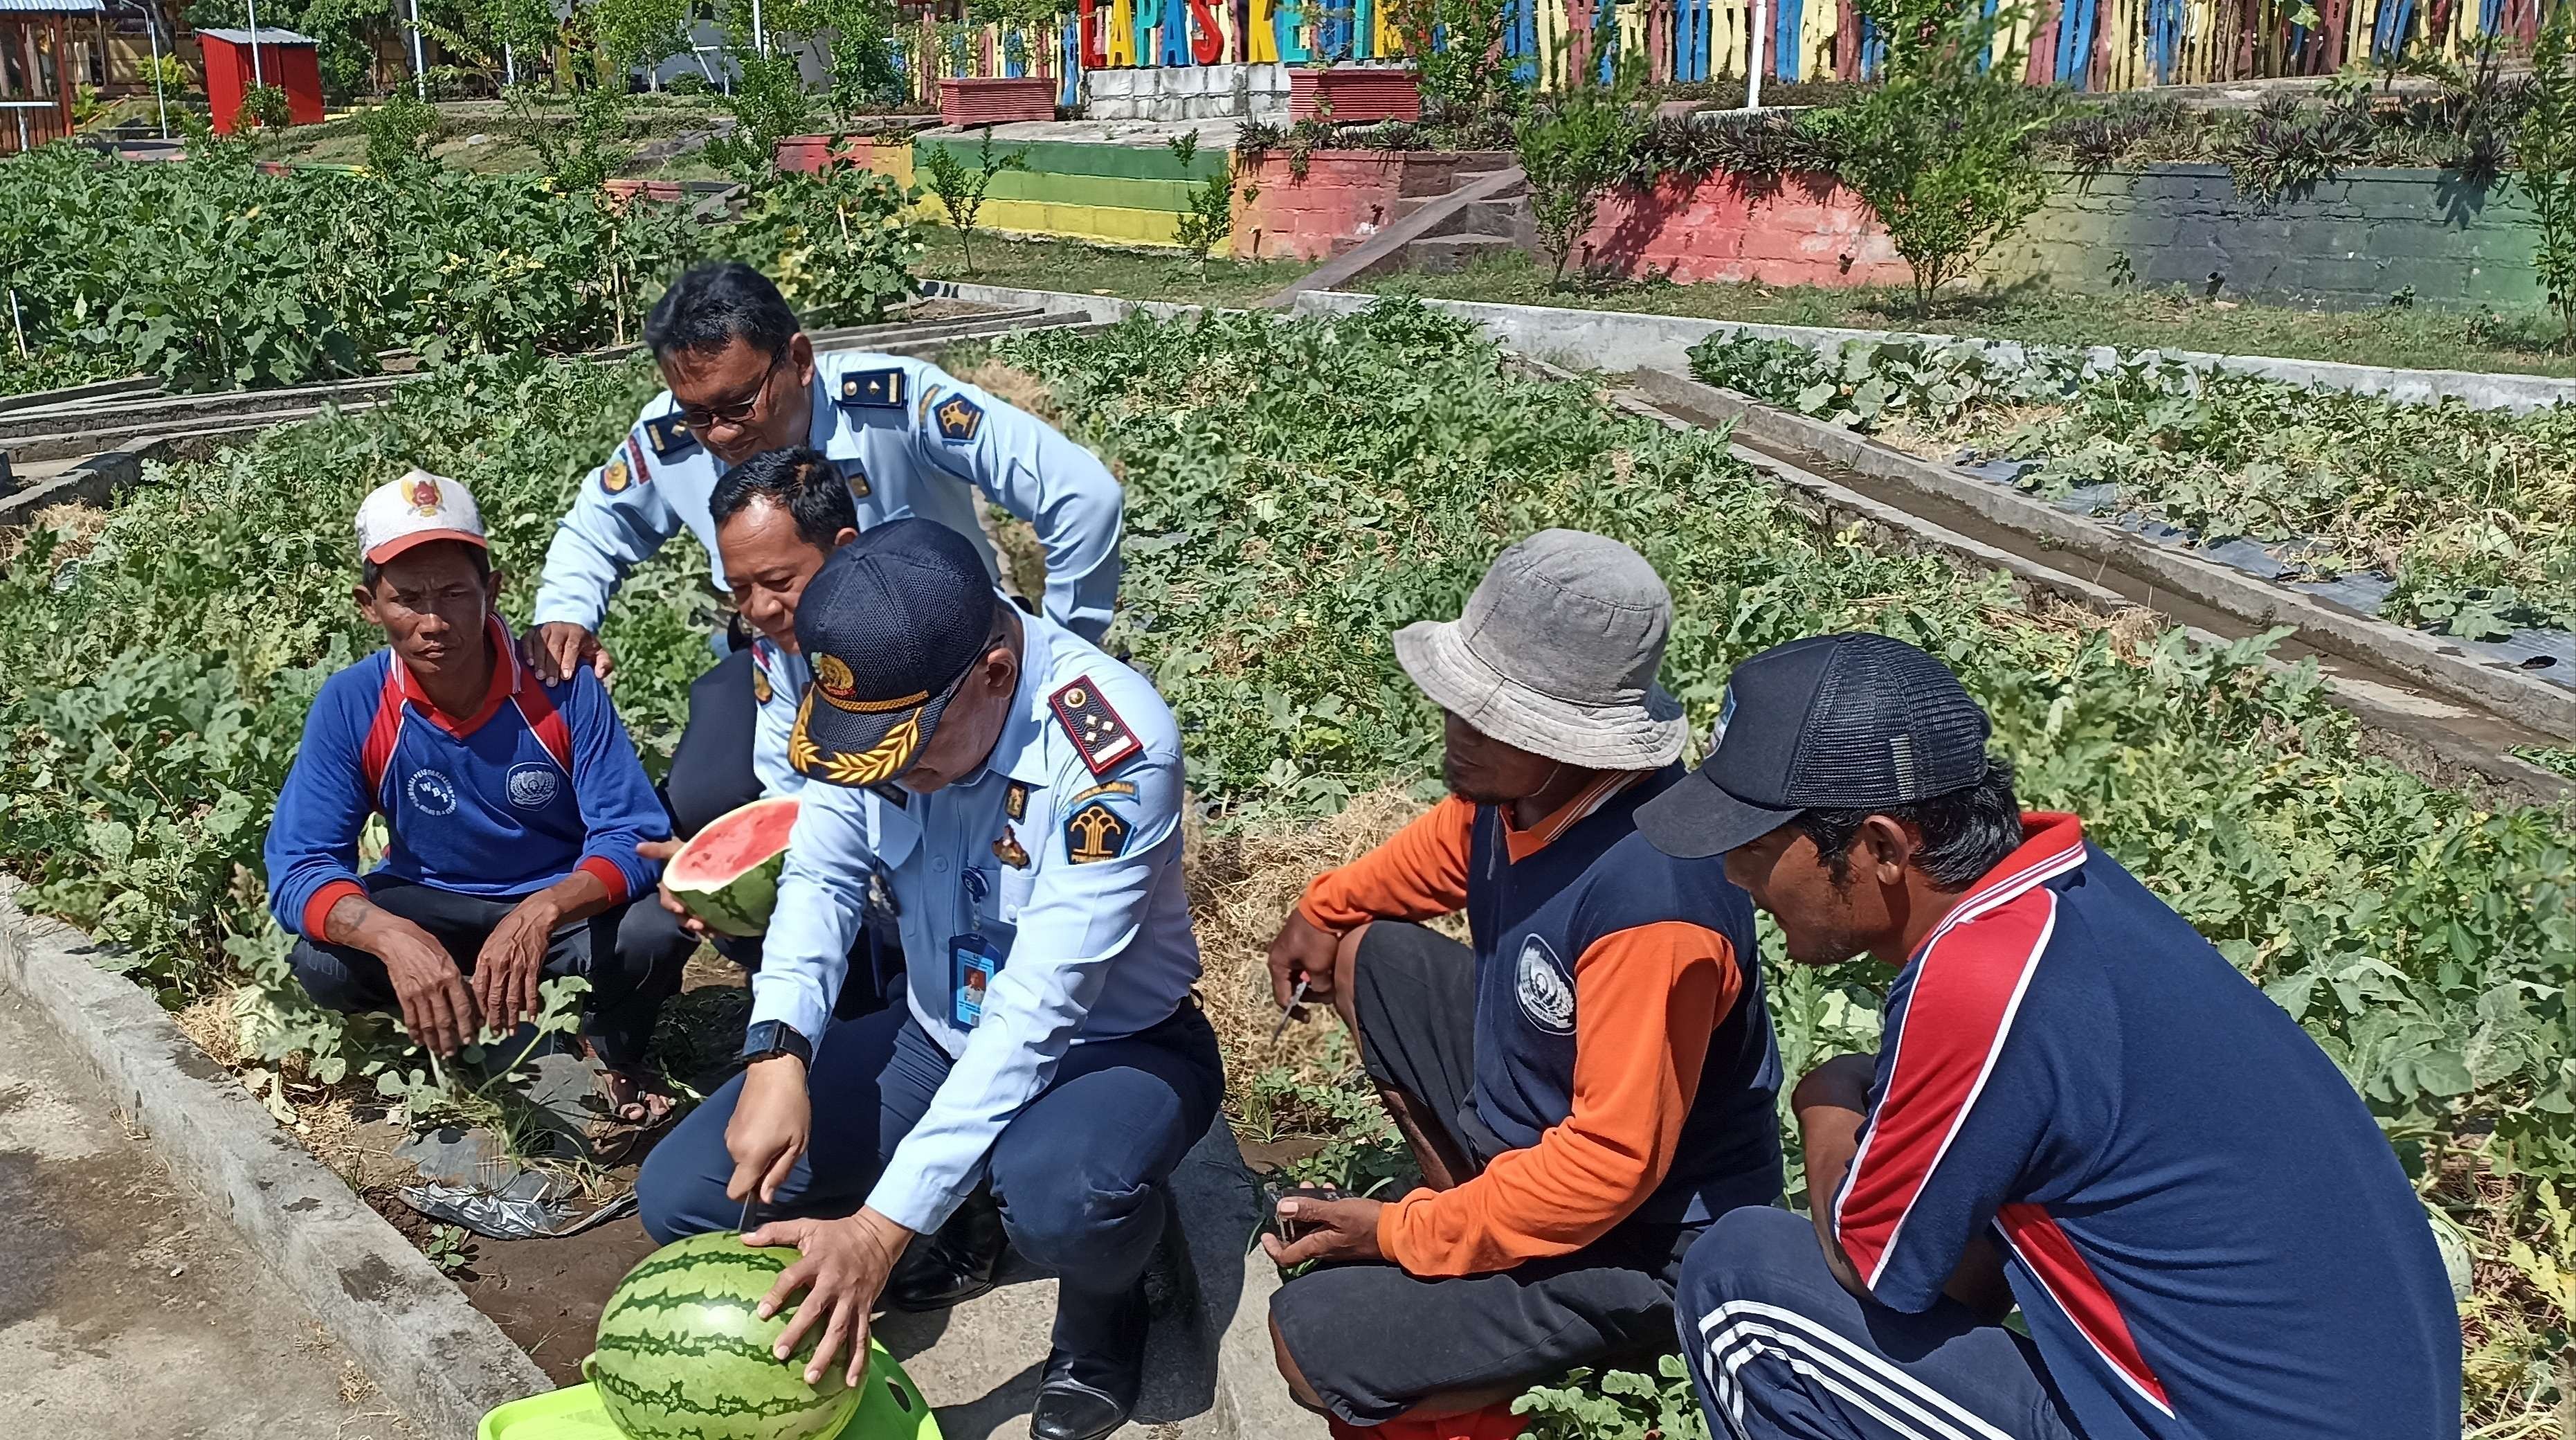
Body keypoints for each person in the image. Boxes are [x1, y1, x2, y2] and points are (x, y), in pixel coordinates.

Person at [1633, 632, 2462, 1440]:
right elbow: (1955, 1258)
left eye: (1754, 847)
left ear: (1880, 847)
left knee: (1741, 1284)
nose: (1733, 876)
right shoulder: (2070, 898)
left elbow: (1866, 1262)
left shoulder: (1980, 977)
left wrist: (1821, 1099)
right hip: (2353, 1406)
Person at [634, 519, 1223, 1440]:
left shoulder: (1110, 753)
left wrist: (877, 1229)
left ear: (991, 675)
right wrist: (777, 1052)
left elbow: (1035, 1018)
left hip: (1107, 1050)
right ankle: (940, 1221)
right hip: (936, 1035)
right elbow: (822, 877)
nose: (897, 770)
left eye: (911, 743)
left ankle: (1106, 1311)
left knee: (1065, 1200)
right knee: (688, 1195)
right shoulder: (873, 692)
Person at [1259, 530, 1785, 1438]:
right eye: (1459, 706)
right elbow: (1444, 847)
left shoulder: (1652, 902)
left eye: (1485, 720)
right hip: (1548, 1134)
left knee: (1307, 1342)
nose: (1453, 733)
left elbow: (1609, 1167)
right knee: (1369, 956)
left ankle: (1544, 1372)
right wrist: (1322, 908)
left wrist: (1399, 1234)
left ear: (1573, 743)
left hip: (1649, 1238)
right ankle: (1476, 1246)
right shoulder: (1523, 792)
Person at [522, 261, 1125, 845]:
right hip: (787, 660)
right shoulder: (671, 438)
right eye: (699, 414)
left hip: (940, 665)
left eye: (739, 405)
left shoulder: (893, 404)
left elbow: (1084, 496)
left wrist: (1060, 648)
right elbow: (596, 527)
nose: (722, 433)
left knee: (958, 811)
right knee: (707, 801)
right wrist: (567, 612)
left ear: (800, 361)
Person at [264, 471, 691, 1133]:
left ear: (492, 591)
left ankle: (611, 1046)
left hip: (560, 907)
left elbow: (632, 838)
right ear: (368, 606)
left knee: (653, 932)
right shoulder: (353, 702)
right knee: (323, 960)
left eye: (455, 593)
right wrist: (394, 937)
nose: (433, 622)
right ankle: (451, 1013)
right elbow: (299, 866)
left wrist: (541, 910)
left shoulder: (561, 688)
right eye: (407, 599)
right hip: (432, 900)